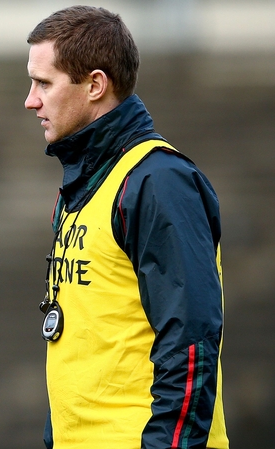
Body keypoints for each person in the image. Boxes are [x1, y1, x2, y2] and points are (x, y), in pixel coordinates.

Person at [24, 6, 228, 449]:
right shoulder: (82, 185)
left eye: (44, 83)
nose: (30, 100)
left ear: (95, 85)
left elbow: (190, 343)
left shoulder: (158, 182)